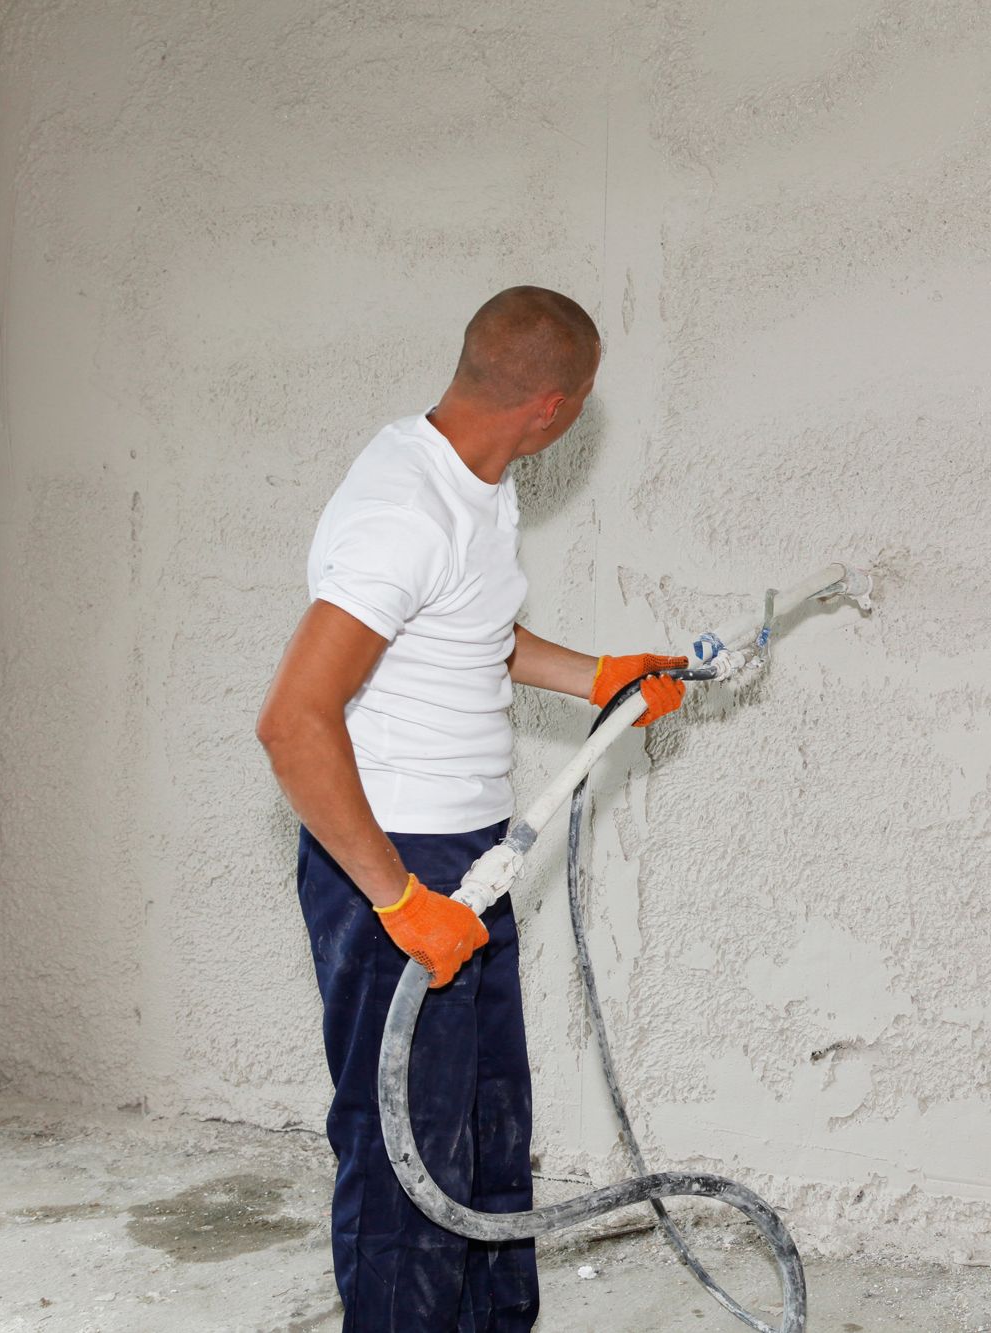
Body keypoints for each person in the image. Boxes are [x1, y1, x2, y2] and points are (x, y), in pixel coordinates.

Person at [256, 286, 685, 1332]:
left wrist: (599, 677)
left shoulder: (474, 483)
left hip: (465, 854)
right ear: (555, 409)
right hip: (392, 860)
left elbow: (469, 630)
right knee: (405, 1143)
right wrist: (399, 898)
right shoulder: (405, 510)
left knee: (486, 1130)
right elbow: (292, 721)